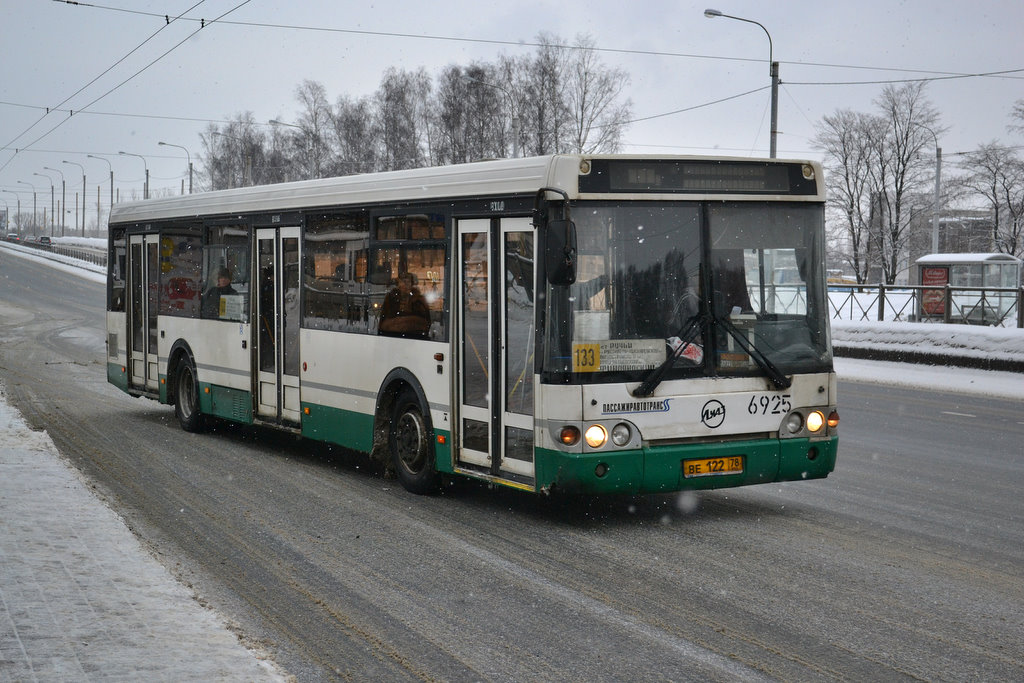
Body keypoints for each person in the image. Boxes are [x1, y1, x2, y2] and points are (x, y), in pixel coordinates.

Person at [378, 273, 431, 338]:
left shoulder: (419, 300)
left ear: (412, 284)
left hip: (415, 338)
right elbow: (383, 322)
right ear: (398, 284)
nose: (405, 284)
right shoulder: (390, 298)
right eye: (402, 281)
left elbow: (426, 323)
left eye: (408, 282)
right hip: (391, 337)